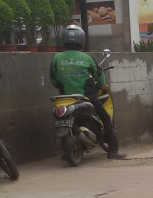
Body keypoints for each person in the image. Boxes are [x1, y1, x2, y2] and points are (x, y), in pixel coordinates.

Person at [49, 24, 126, 159]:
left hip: (64, 99)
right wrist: (98, 84)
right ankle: (113, 151)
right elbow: (100, 78)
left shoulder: (56, 58)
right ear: (81, 39)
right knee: (106, 119)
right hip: (86, 98)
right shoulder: (87, 58)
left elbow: (54, 79)